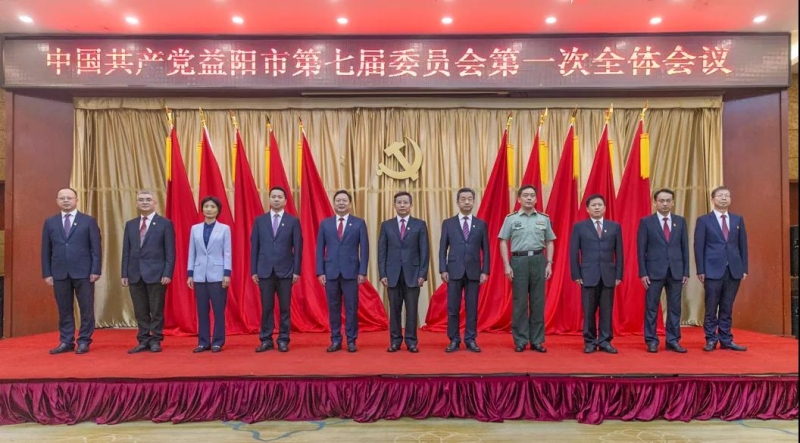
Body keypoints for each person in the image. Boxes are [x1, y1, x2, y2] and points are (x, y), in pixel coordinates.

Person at [41, 187, 102, 355]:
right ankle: (66, 341)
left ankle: (84, 340)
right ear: (57, 201)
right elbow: (46, 250)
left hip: (84, 273)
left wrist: (96, 270)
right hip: (59, 273)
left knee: (86, 308)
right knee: (64, 309)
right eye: (62, 198)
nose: (66, 200)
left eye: (69, 197)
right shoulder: (50, 222)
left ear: (76, 200)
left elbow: (96, 248)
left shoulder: (88, 221)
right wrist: (47, 273)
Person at [499, 185, 555, 353]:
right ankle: (521, 340)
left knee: (538, 302)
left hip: (538, 260)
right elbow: (503, 241)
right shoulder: (511, 219)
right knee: (520, 303)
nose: (529, 198)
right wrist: (506, 265)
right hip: (519, 261)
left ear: (536, 199)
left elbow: (550, 241)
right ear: (519, 199)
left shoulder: (544, 219)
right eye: (525, 195)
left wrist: (549, 263)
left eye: (532, 195)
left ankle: (537, 340)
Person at [695, 186, 748, 352]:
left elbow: (743, 246)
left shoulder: (737, 219)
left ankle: (726, 339)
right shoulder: (704, 220)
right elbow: (698, 246)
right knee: (711, 306)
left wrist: (744, 268)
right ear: (712, 199)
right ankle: (711, 339)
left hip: (733, 269)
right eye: (720, 195)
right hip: (711, 269)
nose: (724, 198)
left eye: (727, 195)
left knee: (727, 306)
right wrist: (700, 269)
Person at [121, 190, 175, 354]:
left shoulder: (165, 224)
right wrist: (124, 273)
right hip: (134, 274)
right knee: (140, 310)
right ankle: (143, 340)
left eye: (148, 199)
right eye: (141, 200)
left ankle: (156, 340)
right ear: (137, 203)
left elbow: (170, 252)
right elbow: (126, 251)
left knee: (156, 310)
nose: (144, 202)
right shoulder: (131, 224)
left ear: (154, 203)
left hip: (157, 274)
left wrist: (167, 273)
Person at [570, 194, 623, 354]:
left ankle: (605, 341)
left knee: (607, 310)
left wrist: (619, 275)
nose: (597, 207)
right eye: (593, 205)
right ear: (587, 209)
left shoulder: (614, 227)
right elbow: (573, 252)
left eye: (600, 205)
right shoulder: (580, 227)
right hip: (588, 275)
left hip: (608, 275)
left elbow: (619, 252)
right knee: (589, 311)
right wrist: (576, 275)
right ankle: (590, 342)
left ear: (605, 208)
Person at [637, 188, 689, 353]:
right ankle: (651, 341)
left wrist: (686, 271)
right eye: (661, 201)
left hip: (676, 271)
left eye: (668, 200)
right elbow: (641, 249)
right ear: (655, 202)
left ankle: (673, 340)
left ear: (672, 202)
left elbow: (684, 248)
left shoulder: (680, 221)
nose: (665, 203)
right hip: (653, 272)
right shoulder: (646, 222)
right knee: (651, 308)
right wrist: (643, 272)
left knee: (675, 308)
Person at [316, 190, 369, 353]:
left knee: (352, 307)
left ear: (350, 204)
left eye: (344, 200)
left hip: (351, 272)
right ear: (334, 203)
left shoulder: (359, 223)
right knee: (333, 308)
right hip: (330, 272)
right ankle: (335, 340)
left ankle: (351, 340)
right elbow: (319, 250)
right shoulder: (325, 224)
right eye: (338, 200)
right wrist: (320, 272)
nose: (341, 203)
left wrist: (362, 272)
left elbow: (364, 249)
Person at [251, 187, 302, 353]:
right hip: (264, 271)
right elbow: (255, 247)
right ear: (269, 199)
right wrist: (254, 270)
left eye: (280, 197)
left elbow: (298, 248)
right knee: (266, 307)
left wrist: (296, 271)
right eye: (274, 196)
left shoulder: (293, 221)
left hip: (286, 271)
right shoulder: (260, 221)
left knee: (285, 308)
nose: (277, 199)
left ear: (285, 201)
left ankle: (283, 339)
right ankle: (266, 339)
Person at [378, 191, 430, 353]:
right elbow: (382, 251)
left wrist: (422, 274)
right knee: (394, 310)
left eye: (405, 202)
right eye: (399, 202)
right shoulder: (386, 225)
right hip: (392, 274)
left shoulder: (419, 225)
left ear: (411, 205)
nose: (402, 205)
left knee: (411, 310)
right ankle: (395, 341)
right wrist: (382, 273)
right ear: (394, 205)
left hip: (413, 274)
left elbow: (424, 251)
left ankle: (411, 341)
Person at [439, 187, 489, 353]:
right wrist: (443, 269)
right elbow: (442, 248)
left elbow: (486, 250)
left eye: (469, 199)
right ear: (457, 202)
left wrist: (485, 271)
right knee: (453, 308)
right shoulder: (448, 223)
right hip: (453, 270)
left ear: (474, 202)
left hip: (474, 271)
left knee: (472, 308)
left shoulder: (480, 224)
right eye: (463, 199)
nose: (466, 202)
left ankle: (470, 339)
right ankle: (454, 339)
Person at [187, 196, 231, 353]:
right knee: (202, 310)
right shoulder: (195, 229)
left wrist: (227, 273)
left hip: (218, 275)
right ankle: (203, 342)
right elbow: (192, 252)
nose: (209, 209)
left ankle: (218, 341)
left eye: (213, 207)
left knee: (218, 310)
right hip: (199, 274)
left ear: (218, 210)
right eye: (206, 206)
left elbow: (227, 252)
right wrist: (190, 273)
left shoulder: (224, 228)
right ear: (202, 209)